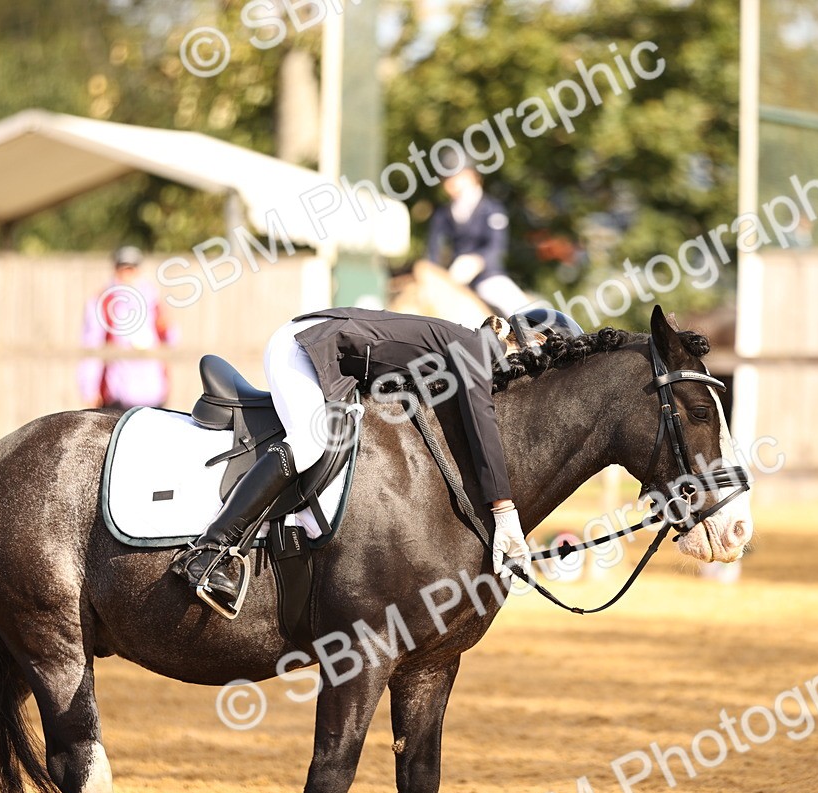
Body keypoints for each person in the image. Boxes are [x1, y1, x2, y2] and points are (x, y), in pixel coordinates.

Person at [172, 307, 542, 613]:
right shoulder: (476, 350)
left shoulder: (468, 346)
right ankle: (210, 549)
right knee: (309, 443)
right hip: (304, 347)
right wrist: (504, 511)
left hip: (331, 353)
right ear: (522, 344)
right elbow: (483, 427)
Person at [426, 155, 533, 317]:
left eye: (457, 177)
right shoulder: (441, 215)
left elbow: (497, 247)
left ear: (472, 176)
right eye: (446, 179)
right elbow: (433, 251)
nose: (451, 184)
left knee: (522, 312)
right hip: (451, 281)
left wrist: (477, 262)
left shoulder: (492, 209)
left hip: (488, 277)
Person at [78, 246, 174, 410]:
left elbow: (170, 338)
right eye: (123, 268)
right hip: (118, 392)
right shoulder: (102, 302)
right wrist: (89, 389)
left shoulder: (152, 300)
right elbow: (91, 346)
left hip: (152, 391)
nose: (127, 273)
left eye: (132, 268)